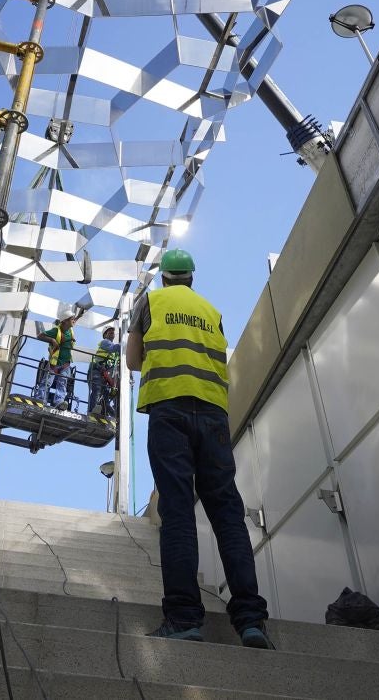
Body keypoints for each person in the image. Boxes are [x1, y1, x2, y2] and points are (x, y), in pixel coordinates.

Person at [126, 249, 273, 649]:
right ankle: (251, 620)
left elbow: (132, 361)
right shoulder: (211, 311)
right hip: (212, 415)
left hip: (170, 409)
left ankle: (184, 618)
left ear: (164, 278)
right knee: (227, 513)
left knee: (176, 512)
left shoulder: (150, 302)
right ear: (190, 277)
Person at [35, 308, 76, 408]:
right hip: (54, 363)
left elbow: (73, 322)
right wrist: (52, 340)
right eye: (72, 319)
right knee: (47, 382)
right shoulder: (56, 331)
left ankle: (59, 402)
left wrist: (79, 315)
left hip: (66, 363)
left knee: (62, 383)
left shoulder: (70, 330)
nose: (74, 321)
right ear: (65, 321)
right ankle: (40, 400)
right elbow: (40, 336)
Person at [88, 326, 120, 418]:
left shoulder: (115, 352)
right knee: (97, 390)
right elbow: (114, 348)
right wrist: (127, 345)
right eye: (109, 332)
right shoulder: (105, 343)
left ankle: (110, 414)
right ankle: (93, 411)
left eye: (112, 332)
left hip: (103, 374)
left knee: (105, 396)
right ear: (105, 335)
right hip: (96, 371)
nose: (111, 333)